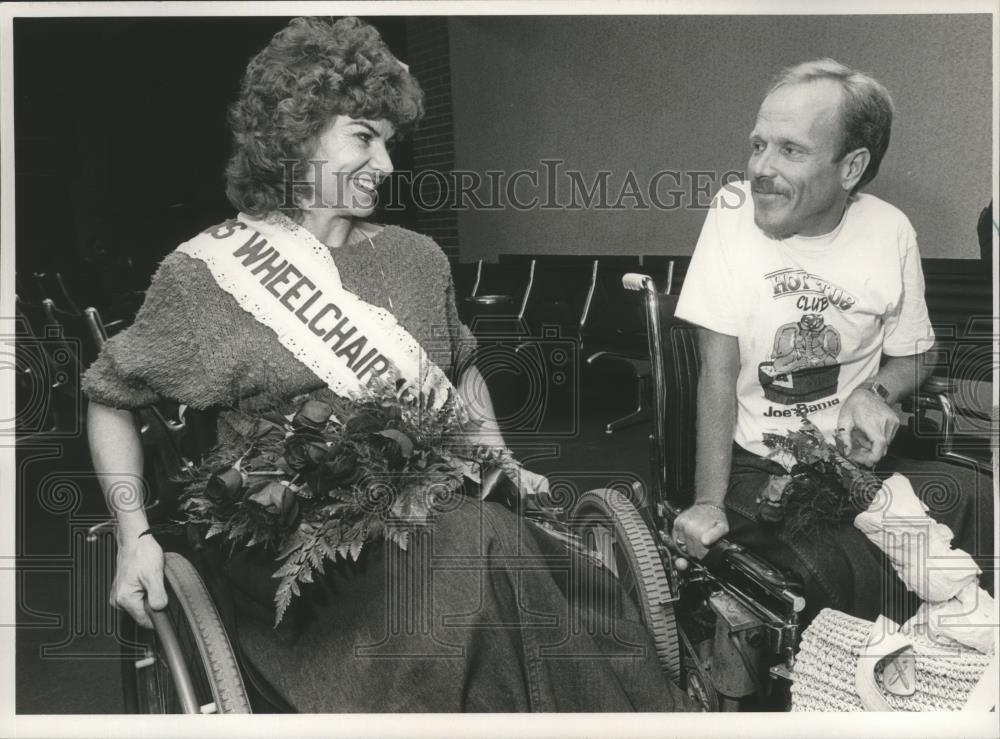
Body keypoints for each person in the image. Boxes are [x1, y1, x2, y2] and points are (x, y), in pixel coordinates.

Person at [83, 16, 688, 712]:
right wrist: (135, 538)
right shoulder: (206, 275)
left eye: (390, 143)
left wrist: (501, 458)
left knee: (552, 574)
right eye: (363, 137)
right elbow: (109, 395)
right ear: (295, 132)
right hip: (298, 554)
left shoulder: (415, 258)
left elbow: (461, 370)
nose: (388, 167)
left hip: (436, 522)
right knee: (481, 552)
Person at [673, 58, 993, 625]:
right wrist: (706, 502)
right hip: (758, 463)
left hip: (857, 462)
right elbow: (717, 373)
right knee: (838, 564)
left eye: (790, 150)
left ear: (851, 167)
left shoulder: (889, 230)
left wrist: (875, 391)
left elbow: (916, 350)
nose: (760, 169)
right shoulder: (730, 215)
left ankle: (966, 667)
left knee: (978, 501)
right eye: (758, 145)